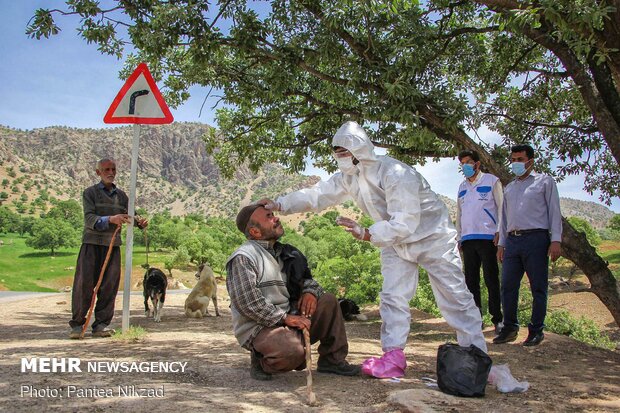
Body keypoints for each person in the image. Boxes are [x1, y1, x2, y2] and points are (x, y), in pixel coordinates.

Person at [260, 121, 487, 379]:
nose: (339, 157)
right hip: (392, 240)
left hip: (430, 237)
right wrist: (279, 204)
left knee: (454, 296)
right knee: (392, 296)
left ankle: (477, 355)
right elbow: (318, 194)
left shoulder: (395, 172)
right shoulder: (349, 178)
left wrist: (368, 234)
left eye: (344, 151)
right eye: (336, 152)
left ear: (359, 149)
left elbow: (406, 220)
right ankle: (393, 357)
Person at [226, 203, 360, 381]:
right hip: (260, 327)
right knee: (293, 353)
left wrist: (310, 292)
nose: (276, 218)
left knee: (327, 300)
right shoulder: (244, 257)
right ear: (255, 232)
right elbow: (249, 304)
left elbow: (309, 280)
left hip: (289, 320)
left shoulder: (288, 253)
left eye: (273, 214)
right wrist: (285, 318)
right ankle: (261, 358)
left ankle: (332, 361)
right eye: (268, 217)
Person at [69, 158, 147, 339]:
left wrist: (139, 223)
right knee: (84, 285)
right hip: (91, 244)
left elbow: (130, 217)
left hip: (113, 246)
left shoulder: (122, 196)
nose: (110, 172)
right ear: (98, 172)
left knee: (109, 286)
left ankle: (101, 325)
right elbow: (89, 219)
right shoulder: (89, 193)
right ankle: (77, 325)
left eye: (113, 169)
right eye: (106, 169)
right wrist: (111, 219)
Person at [494, 144, 562, 346]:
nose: (516, 163)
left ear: (530, 161)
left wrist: (556, 239)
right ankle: (510, 328)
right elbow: (503, 218)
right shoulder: (509, 187)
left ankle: (536, 330)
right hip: (513, 241)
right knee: (507, 286)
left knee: (538, 287)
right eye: (513, 160)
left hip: (537, 239)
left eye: (520, 159)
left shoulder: (545, 182)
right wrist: (501, 245)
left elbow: (554, 211)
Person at [456, 150, 503, 334]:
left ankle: (497, 319)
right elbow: (459, 213)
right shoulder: (461, 187)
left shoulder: (492, 181)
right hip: (468, 239)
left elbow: (501, 208)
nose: (465, 166)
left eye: (468, 162)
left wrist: (499, 231)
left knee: (491, 279)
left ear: (477, 164)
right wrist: (459, 237)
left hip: (488, 238)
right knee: (471, 282)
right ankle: (476, 319)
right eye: (462, 164)